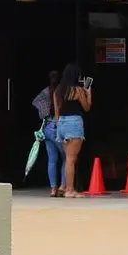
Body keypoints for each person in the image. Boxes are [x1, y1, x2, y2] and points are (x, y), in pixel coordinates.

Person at [53, 63, 91, 198]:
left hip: (61, 123)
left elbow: (56, 111)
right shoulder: (77, 90)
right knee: (71, 159)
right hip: (74, 123)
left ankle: (64, 186)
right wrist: (88, 93)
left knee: (67, 158)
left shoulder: (58, 90)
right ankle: (70, 189)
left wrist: (59, 125)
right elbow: (86, 107)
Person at [32, 70, 66, 197]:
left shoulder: (46, 91)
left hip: (47, 127)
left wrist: (45, 111)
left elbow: (35, 101)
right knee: (66, 158)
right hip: (59, 126)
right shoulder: (62, 91)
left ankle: (53, 188)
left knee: (52, 160)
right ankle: (63, 187)